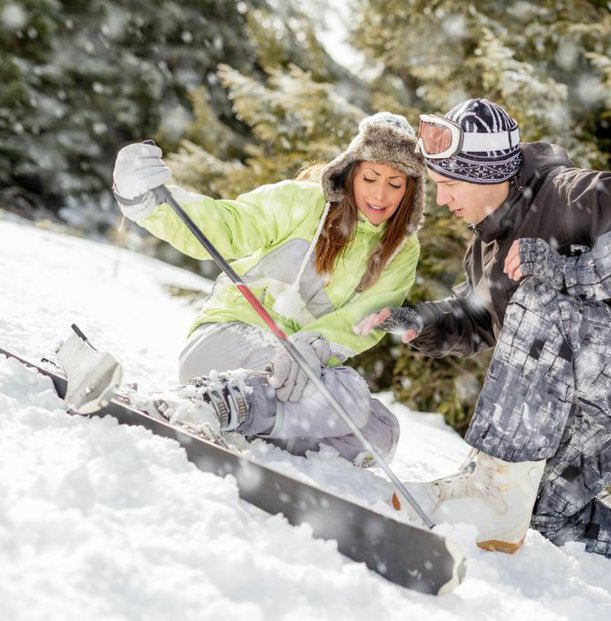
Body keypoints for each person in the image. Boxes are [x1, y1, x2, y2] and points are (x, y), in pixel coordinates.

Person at [355, 99, 611, 595]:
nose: (443, 198)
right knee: (544, 513)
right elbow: (480, 319)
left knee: (542, 296)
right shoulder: (487, 248)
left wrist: (572, 271)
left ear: (487, 174)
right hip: (592, 396)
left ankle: (489, 490)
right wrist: (419, 321)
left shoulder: (568, 193)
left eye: (451, 184)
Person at [110, 112, 425, 466]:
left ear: (410, 190)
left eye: (395, 184)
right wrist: (150, 203)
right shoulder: (302, 201)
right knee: (347, 396)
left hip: (298, 372)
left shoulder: (401, 249)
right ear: (351, 170)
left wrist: (313, 344)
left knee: (380, 433)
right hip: (232, 340)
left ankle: (240, 419)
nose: (380, 194)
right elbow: (226, 226)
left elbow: (366, 318)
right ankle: (207, 403)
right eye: (370, 178)